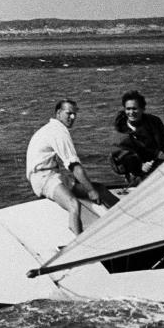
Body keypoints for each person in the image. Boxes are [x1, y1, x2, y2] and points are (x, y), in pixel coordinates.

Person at [26, 98, 102, 235]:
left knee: (99, 189)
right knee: (74, 204)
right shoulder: (58, 131)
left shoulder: (51, 128)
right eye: (68, 113)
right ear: (58, 113)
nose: (72, 117)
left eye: (74, 114)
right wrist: (91, 191)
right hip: (44, 178)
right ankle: (80, 242)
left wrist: (91, 189)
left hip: (52, 174)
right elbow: (74, 167)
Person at [109, 90, 164, 185]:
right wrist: (140, 166)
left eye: (135, 109)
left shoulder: (154, 122)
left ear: (143, 109)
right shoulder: (120, 133)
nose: (131, 112)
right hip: (137, 175)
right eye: (128, 109)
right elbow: (119, 162)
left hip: (160, 165)